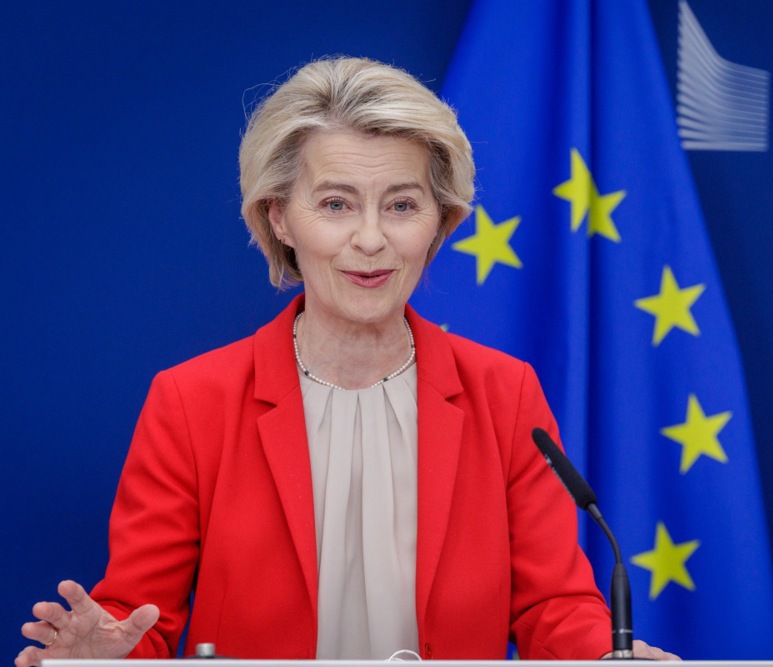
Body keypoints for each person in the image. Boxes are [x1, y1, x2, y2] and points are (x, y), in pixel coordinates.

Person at [16, 57, 677, 665]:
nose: (370, 239)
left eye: (402, 205)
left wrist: (605, 658)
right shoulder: (192, 401)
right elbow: (142, 624)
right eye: (336, 204)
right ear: (279, 217)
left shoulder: (504, 393)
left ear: (441, 222)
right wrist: (103, 656)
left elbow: (552, 606)